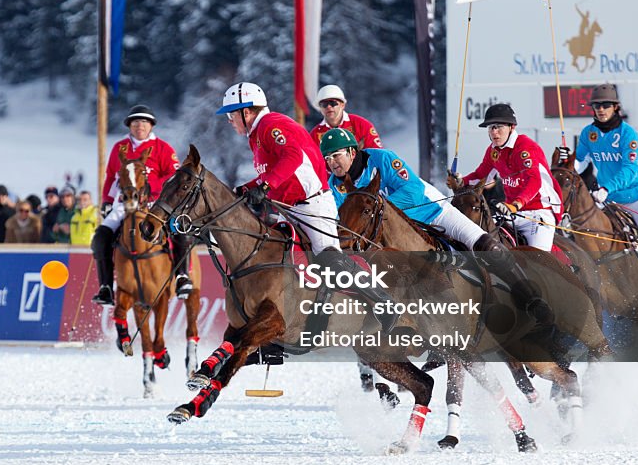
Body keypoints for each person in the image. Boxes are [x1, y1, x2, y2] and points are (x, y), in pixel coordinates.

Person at [321, 128, 553, 325]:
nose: (332, 163)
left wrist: (381, 210)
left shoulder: (381, 159)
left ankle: (533, 301)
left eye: (336, 156)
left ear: (352, 152)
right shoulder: (335, 186)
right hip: (396, 236)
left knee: (487, 245)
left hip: (433, 212)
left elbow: (413, 191)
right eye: (327, 158)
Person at [216, 82, 395, 328]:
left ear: (246, 112)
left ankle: (384, 303)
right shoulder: (256, 135)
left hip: (313, 205)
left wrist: (265, 187)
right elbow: (270, 172)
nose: (229, 120)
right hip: (290, 209)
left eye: (231, 114)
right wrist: (245, 189)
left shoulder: (271, 124)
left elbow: (293, 157)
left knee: (328, 260)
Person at [556, 83, 638, 295]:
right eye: (597, 105)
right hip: (606, 198)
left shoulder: (627, 134)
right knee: (583, 234)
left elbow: (629, 169)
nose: (601, 109)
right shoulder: (589, 134)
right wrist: (566, 161)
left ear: (616, 107)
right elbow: (579, 163)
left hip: (633, 195)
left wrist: (606, 187)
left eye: (606, 105)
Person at [91, 105, 194, 305]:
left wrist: (148, 185)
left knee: (180, 232)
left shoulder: (163, 148)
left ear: (151, 126)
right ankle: (105, 288)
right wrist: (107, 201)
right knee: (101, 236)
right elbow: (111, 177)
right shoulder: (119, 148)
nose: (140, 126)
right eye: (136, 122)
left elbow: (174, 176)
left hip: (157, 203)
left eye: (145, 122)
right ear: (129, 125)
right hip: (126, 204)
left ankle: (182, 276)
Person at [447, 104, 561, 252]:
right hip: (511, 212)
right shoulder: (493, 151)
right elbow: (481, 175)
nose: (494, 132)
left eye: (499, 126)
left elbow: (534, 181)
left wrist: (516, 204)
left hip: (539, 212)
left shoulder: (525, 147)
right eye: (491, 127)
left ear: (511, 127)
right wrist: (461, 182)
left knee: (538, 262)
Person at [309, 84, 384, 149]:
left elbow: (378, 154)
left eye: (333, 103)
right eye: (324, 104)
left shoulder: (361, 124)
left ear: (342, 105)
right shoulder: (315, 135)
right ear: (320, 108)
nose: (328, 107)